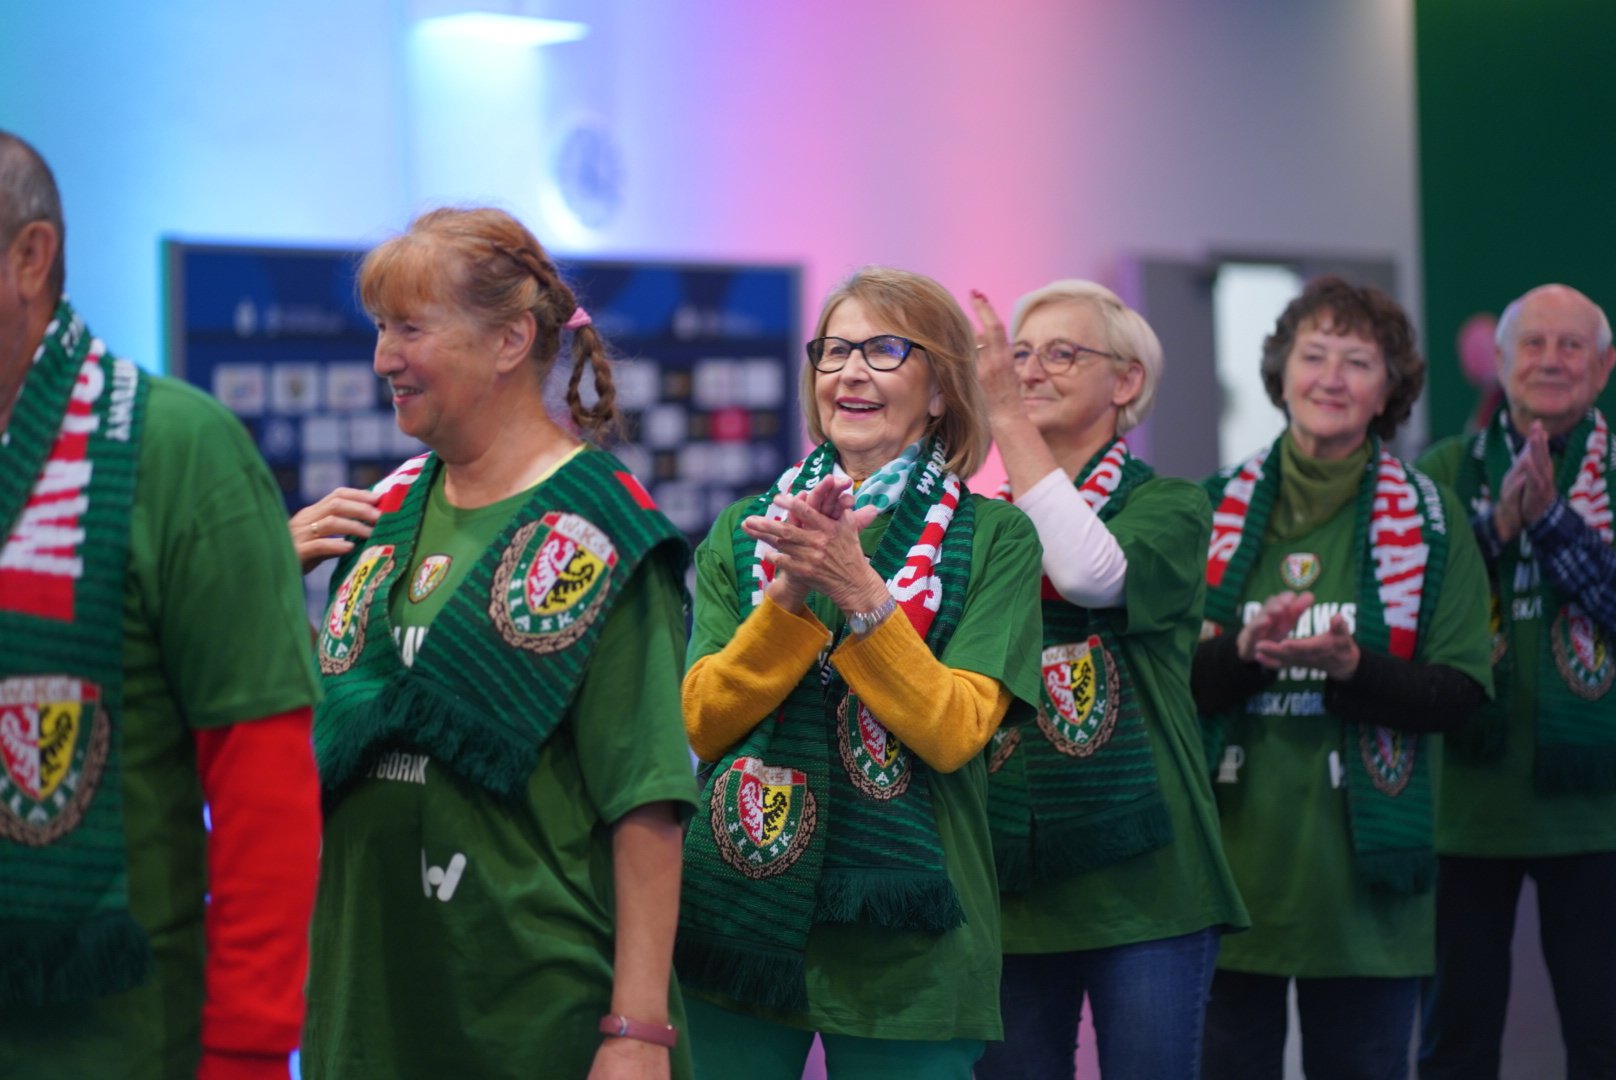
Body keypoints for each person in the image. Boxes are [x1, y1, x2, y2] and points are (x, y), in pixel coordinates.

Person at [291, 207, 698, 1079]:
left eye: (410, 328)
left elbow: (647, 800)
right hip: (367, 998)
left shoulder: (600, 531)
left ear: (510, 340)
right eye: (379, 328)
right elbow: (334, 730)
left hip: (525, 1015)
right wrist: (263, 587)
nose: (382, 358)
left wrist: (637, 1029)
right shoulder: (381, 516)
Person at [0, 131, 323, 1079]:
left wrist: (249, 1055)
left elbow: (265, 795)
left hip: (119, 1041)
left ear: (29, 258)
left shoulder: (181, 452)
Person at [675, 266, 1044, 1079]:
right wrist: (790, 596)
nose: (850, 371)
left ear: (941, 390)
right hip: (738, 916)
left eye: (884, 350)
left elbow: (954, 729)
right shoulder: (745, 530)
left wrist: (860, 590)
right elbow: (702, 720)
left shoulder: (997, 537)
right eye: (834, 350)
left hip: (912, 942)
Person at [1190, 276, 1493, 1080]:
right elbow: (1168, 685)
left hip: (1367, 904)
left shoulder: (1434, 522)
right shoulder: (1209, 507)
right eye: (1313, 355)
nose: (1330, 378)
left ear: (1389, 390)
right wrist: (1245, 653)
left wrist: (1355, 668)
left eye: (1357, 362)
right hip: (1226, 888)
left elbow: (1461, 695)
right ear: (1280, 372)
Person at [968, 281, 1248, 1080]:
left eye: (1061, 354)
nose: (1029, 371)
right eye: (1020, 354)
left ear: (1126, 382)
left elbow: (1090, 571)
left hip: (1148, 880)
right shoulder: (983, 522)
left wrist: (1007, 420)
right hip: (1015, 877)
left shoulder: (1171, 504)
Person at [1414, 283, 1616, 1080]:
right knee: (1455, 1045)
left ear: (1604, 367)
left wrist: (1553, 524)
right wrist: (1497, 527)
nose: (1551, 360)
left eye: (1572, 346)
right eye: (1533, 344)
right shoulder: (1444, 468)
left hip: (1598, 815)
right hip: (1466, 808)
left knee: (1604, 1040)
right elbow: (1414, 601)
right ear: (1500, 363)